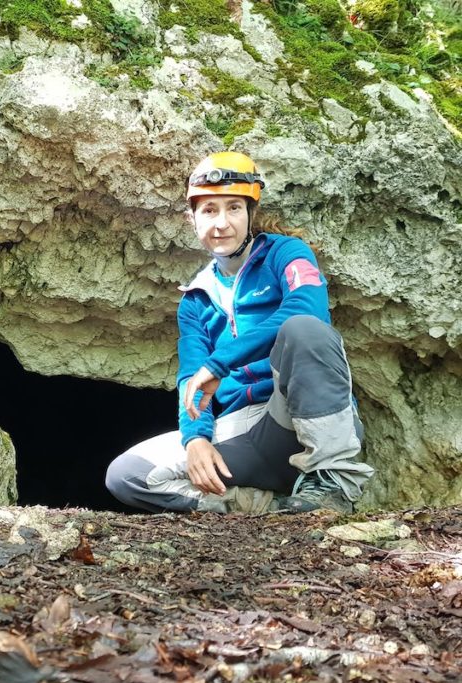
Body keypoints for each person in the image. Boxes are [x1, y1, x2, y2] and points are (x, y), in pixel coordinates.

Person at [105, 151, 374, 515]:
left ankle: (331, 484)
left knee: (305, 330)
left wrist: (220, 364)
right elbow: (191, 379)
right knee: (127, 475)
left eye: (233, 208)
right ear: (192, 219)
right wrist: (195, 439)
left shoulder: (287, 253)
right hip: (241, 434)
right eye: (209, 210)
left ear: (251, 213)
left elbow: (308, 309)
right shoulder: (195, 298)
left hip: (295, 419)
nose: (221, 223)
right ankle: (268, 507)